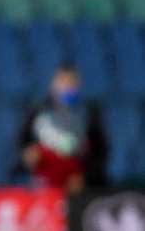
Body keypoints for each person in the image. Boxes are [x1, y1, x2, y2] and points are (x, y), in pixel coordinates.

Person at [18, 64, 108, 193]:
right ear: (53, 84)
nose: (67, 87)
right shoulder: (38, 111)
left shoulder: (88, 114)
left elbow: (100, 151)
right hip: (45, 182)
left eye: (72, 83)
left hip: (76, 184)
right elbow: (22, 145)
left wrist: (86, 177)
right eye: (63, 82)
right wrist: (28, 157)